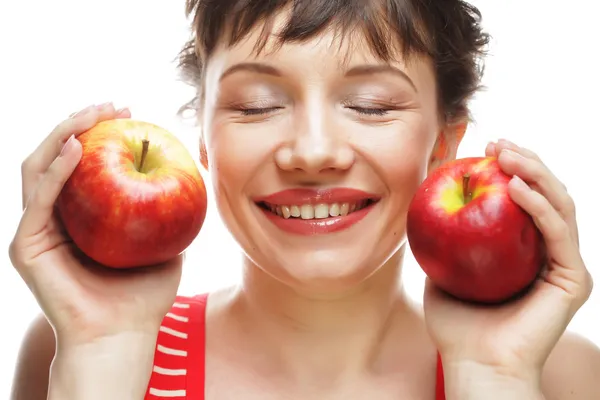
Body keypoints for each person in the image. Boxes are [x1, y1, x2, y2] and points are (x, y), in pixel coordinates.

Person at [8, 1, 600, 399]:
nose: (312, 151)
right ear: (204, 141)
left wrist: (493, 379)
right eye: (257, 103)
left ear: (446, 143)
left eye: (370, 104)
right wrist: (105, 360)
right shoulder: (77, 347)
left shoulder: (558, 376)